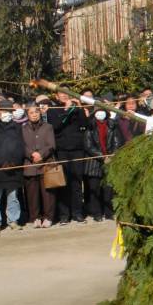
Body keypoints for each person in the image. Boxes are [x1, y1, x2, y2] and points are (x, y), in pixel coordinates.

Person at [48, 92, 87, 225]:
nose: (64, 96)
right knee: (63, 182)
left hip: (77, 150)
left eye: (66, 93)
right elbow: (56, 126)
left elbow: (84, 124)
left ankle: (78, 213)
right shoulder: (53, 110)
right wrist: (66, 110)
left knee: (77, 182)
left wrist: (80, 107)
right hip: (62, 150)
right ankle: (64, 214)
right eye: (61, 94)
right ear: (57, 96)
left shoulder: (76, 108)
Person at [83, 109, 123, 221]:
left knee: (108, 189)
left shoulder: (112, 125)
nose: (100, 113)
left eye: (102, 110)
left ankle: (109, 212)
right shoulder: (90, 127)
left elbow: (117, 142)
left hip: (110, 160)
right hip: (94, 162)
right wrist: (102, 156)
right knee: (94, 189)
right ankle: (97, 213)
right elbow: (88, 146)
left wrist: (111, 156)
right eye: (97, 111)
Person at [22, 104, 56, 228]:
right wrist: (32, 154)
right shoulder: (23, 128)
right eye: (31, 112)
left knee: (48, 194)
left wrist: (41, 154)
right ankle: (35, 217)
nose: (34, 114)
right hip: (30, 165)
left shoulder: (48, 127)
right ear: (27, 115)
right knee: (32, 194)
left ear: (40, 113)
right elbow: (22, 146)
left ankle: (48, 217)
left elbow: (51, 145)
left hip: (46, 163)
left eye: (36, 112)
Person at [0, 101, 25, 232]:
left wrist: (15, 162)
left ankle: (13, 220)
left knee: (13, 197)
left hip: (13, 168)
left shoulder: (16, 126)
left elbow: (21, 146)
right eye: (3, 110)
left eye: (8, 110)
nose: (6, 113)